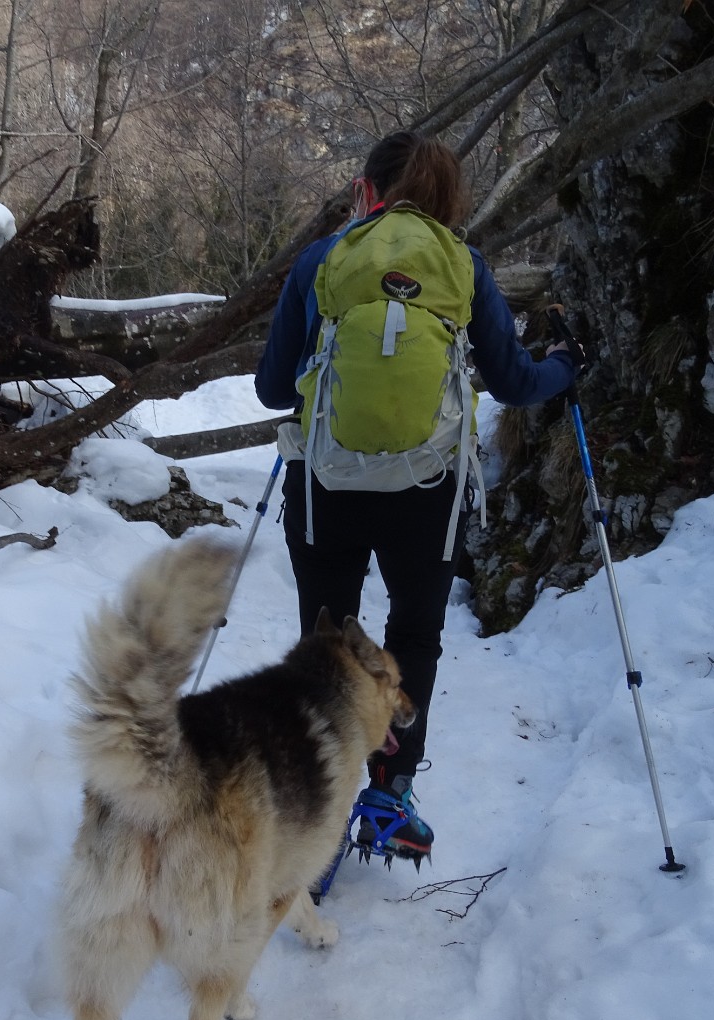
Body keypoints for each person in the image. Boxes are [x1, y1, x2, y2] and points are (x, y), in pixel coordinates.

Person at [255, 129, 580, 861]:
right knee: (414, 638)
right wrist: (566, 363)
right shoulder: (461, 265)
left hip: (326, 487)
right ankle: (390, 792)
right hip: (427, 493)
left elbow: (274, 388)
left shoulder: (321, 262)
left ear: (367, 191)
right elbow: (515, 384)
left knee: (326, 643)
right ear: (445, 200)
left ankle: (317, 805)